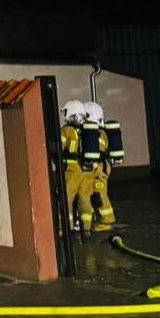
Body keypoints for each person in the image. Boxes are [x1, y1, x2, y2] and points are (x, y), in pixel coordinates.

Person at [59, 100, 94, 234]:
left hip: (72, 170)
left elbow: (59, 149)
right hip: (87, 169)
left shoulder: (66, 131)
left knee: (66, 199)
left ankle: (65, 228)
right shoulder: (87, 132)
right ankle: (86, 228)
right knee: (85, 199)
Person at [84, 102, 118, 230]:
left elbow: (98, 152)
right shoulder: (99, 132)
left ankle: (107, 221)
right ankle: (96, 220)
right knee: (93, 193)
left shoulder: (97, 134)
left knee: (99, 193)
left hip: (99, 168)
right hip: (99, 166)